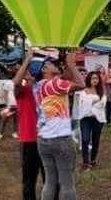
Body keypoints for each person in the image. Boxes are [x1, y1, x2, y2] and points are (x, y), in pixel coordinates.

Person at [35, 51, 85, 200]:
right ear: (44, 70)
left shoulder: (38, 86)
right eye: (49, 63)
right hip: (61, 140)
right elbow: (82, 84)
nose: (53, 63)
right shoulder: (55, 84)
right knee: (67, 183)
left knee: (50, 181)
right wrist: (71, 64)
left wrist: (67, 64)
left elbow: (67, 78)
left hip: (43, 139)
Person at [13, 49, 45, 200]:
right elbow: (16, 82)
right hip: (29, 139)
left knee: (49, 177)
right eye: (25, 73)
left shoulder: (43, 90)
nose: (28, 74)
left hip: (46, 138)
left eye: (30, 73)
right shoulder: (22, 91)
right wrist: (27, 60)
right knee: (29, 179)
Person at [74, 71, 107, 170]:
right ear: (89, 79)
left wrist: (92, 102)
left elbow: (102, 105)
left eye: (96, 78)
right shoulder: (82, 91)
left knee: (96, 140)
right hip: (85, 119)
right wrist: (93, 101)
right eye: (93, 78)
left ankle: (93, 160)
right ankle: (85, 162)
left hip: (98, 119)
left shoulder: (101, 91)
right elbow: (81, 105)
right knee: (85, 139)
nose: (95, 80)